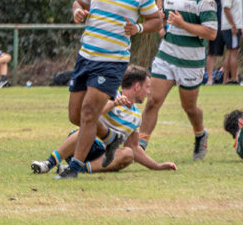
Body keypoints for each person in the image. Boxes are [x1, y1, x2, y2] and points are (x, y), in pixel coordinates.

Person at [58, 0, 162, 179]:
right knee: (76, 116)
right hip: (85, 58)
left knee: (88, 112)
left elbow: (156, 20)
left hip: (112, 62)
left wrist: (138, 28)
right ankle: (111, 138)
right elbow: (78, 2)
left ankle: (74, 168)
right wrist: (77, 11)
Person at [32, 66, 176, 175]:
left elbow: (134, 148)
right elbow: (88, 115)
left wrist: (157, 166)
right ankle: (48, 163)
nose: (149, 92)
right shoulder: (110, 95)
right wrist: (113, 103)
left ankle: (77, 169)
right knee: (89, 127)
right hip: (82, 143)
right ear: (137, 86)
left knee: (128, 154)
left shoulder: (137, 116)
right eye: (147, 87)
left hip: (104, 156)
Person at [140, 0, 217, 160]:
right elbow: (163, 22)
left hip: (191, 63)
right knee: (152, 101)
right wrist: (160, 20)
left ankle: (200, 133)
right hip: (167, 56)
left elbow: (211, 33)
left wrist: (183, 24)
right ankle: (139, 146)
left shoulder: (205, 1)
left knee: (189, 108)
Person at [206, 0, 229, 85]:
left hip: (230, 26)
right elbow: (209, 9)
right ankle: (210, 78)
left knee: (230, 53)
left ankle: (226, 79)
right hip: (217, 26)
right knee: (212, 53)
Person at [220, 0, 242, 84]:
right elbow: (226, 8)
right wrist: (234, 25)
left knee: (230, 52)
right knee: (233, 52)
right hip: (230, 27)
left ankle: (225, 80)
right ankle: (234, 78)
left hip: (236, 26)